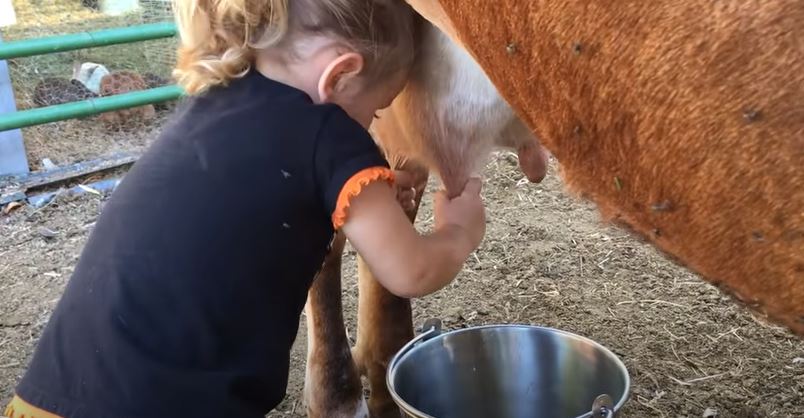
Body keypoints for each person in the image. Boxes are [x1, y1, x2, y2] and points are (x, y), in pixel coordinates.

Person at [4, 0, 485, 417]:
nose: (371, 126)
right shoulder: (331, 133)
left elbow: (266, 198)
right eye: (376, 111)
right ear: (340, 75)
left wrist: (365, 192)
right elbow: (412, 272)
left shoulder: (211, 102)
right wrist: (458, 232)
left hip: (51, 394)